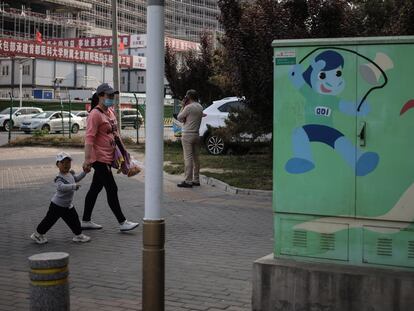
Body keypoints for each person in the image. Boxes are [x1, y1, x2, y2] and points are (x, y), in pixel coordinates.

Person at [81, 83, 139, 231]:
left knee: (95, 189)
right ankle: (122, 222)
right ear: (100, 96)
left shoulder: (110, 112)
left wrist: (125, 153)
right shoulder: (95, 114)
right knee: (112, 188)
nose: (112, 99)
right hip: (99, 158)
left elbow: (116, 135)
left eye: (113, 96)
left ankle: (86, 220)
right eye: (109, 96)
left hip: (108, 156)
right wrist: (87, 160)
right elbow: (89, 138)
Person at [30, 152, 91, 244]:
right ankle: (37, 235)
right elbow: (61, 187)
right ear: (57, 165)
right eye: (63, 163)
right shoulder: (59, 178)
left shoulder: (70, 174)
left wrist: (84, 172)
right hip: (57, 205)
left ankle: (78, 235)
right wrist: (73, 186)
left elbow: (77, 178)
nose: (66, 165)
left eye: (68, 162)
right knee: (49, 221)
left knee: (74, 219)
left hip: (67, 205)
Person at [176, 89, 204, 188]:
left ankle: (188, 181)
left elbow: (179, 117)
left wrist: (183, 105)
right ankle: (196, 180)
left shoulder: (188, 107)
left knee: (188, 158)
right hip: (196, 134)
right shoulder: (200, 107)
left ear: (188, 97)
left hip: (187, 135)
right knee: (196, 158)